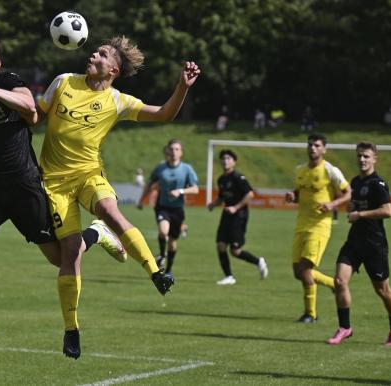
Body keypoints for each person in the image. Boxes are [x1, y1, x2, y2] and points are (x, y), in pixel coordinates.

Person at [0, 35, 127, 353]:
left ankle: (97, 233)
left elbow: (30, 108)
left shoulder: (7, 81)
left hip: (25, 188)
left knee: (62, 259)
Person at [36, 35, 200, 359]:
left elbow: (165, 114)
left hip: (89, 175)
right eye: (94, 51)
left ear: (113, 68)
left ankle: (156, 272)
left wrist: (183, 86)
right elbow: (36, 115)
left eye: (101, 53)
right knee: (69, 254)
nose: (93, 54)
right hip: (53, 184)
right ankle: (71, 329)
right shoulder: (63, 82)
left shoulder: (117, 101)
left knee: (112, 212)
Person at [327, 142, 391, 346]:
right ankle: (345, 327)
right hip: (354, 241)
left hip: (374, 245)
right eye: (359, 156)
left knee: (383, 291)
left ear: (374, 159)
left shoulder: (378, 184)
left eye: (366, 156)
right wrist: (352, 207)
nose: (362, 160)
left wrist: (360, 214)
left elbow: (387, 211)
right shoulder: (355, 182)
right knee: (339, 281)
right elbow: (353, 205)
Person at [285, 133, 351, 323]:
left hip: (319, 227)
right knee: (298, 272)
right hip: (301, 225)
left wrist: (332, 204)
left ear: (324, 149)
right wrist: (292, 196)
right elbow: (299, 194)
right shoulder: (301, 170)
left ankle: (311, 314)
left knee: (305, 269)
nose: (312, 148)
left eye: (317, 145)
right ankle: (332, 283)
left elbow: (348, 193)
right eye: (310, 145)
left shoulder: (330, 171)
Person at [137, 139, 198, 274]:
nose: (174, 152)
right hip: (162, 206)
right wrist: (141, 200)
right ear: (167, 151)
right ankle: (162, 255)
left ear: (181, 152)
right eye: (171, 149)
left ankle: (169, 269)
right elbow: (149, 184)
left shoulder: (187, 169)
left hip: (177, 209)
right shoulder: (160, 168)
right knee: (163, 231)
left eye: (177, 149)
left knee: (172, 242)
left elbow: (195, 189)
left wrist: (180, 191)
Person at [207, 149, 268, 285]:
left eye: (228, 158)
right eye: (223, 158)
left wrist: (236, 207)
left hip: (239, 216)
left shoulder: (238, 178)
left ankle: (258, 261)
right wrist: (213, 204)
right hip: (226, 215)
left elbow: (250, 194)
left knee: (235, 251)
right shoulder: (221, 179)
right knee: (220, 245)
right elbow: (222, 197)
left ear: (234, 162)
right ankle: (229, 276)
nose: (225, 161)